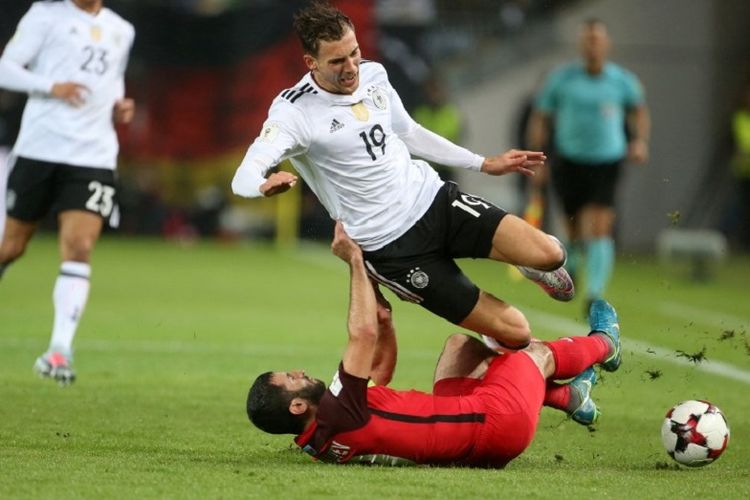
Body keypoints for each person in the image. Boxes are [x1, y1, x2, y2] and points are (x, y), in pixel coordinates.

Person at [232, 1, 574, 353]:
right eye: (337, 61)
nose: (351, 68)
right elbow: (243, 174)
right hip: (391, 248)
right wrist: (262, 184)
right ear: (311, 63)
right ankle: (495, 335)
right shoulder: (293, 111)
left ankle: (532, 270)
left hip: (433, 200)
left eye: (354, 53)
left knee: (550, 254)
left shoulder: (374, 74)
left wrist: (483, 163)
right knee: (517, 333)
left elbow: (409, 132)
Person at [245, 223, 622, 468]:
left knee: (461, 346)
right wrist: (355, 262)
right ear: (297, 406)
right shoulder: (337, 412)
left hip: (470, 445)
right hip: (497, 422)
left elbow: (379, 374)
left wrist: (387, 325)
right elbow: (361, 336)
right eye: (290, 379)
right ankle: (606, 344)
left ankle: (569, 398)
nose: (298, 372)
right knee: (531, 352)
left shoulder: (322, 436)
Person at [0, 0, 135, 385]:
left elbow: (114, 82)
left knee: (79, 246)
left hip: (93, 154)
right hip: (39, 149)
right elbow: (5, 68)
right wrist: (51, 86)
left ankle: (59, 350)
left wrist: (119, 107)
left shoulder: (121, 29)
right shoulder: (45, 15)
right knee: (11, 247)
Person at [526, 18, 650, 310]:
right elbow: (541, 117)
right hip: (569, 161)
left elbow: (639, 111)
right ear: (580, 45)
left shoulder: (622, 80)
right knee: (573, 231)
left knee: (600, 224)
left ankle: (595, 292)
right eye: (587, 39)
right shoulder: (561, 79)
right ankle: (577, 264)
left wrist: (640, 141)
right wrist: (537, 157)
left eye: (597, 39)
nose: (592, 44)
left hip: (607, 161)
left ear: (607, 44)